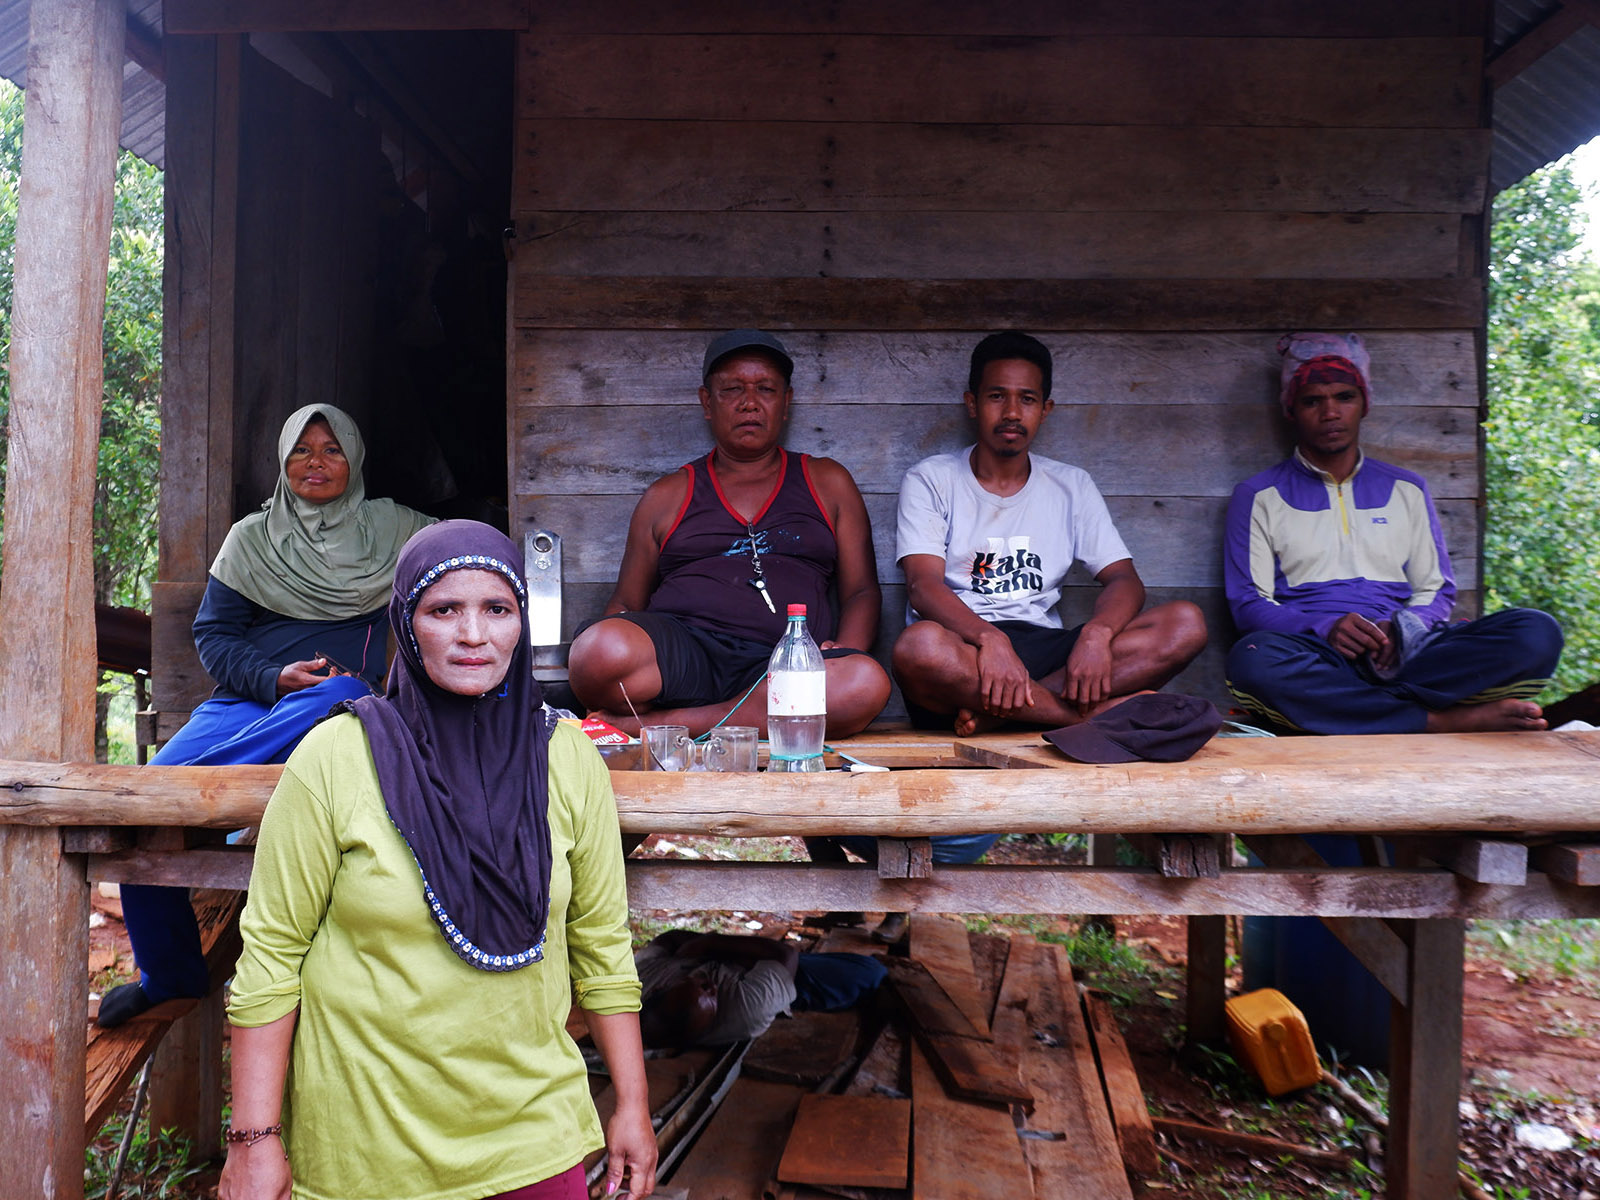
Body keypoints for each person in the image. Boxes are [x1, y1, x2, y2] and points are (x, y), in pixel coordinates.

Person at [220, 521, 655, 1200]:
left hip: (534, 1144)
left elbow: (602, 948)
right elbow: (271, 958)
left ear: (522, 623)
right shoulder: (335, 759)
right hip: (364, 1154)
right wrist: (253, 1141)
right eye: (444, 609)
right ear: (406, 621)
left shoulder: (567, 761)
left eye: (497, 610)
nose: (473, 634)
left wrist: (632, 1104)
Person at [99, 404, 435, 1028]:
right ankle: (168, 973)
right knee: (147, 810)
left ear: (355, 459)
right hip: (247, 703)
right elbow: (215, 636)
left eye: (332, 449)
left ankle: (188, 788)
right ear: (282, 463)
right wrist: (271, 678)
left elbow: (464, 566)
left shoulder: (399, 531)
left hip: (342, 705)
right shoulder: (251, 539)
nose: (316, 462)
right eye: (301, 451)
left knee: (330, 697)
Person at [1224, 332, 1563, 734]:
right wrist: (1325, 627)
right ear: (1291, 410)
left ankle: (1348, 711)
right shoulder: (1259, 495)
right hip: (1318, 653)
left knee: (1536, 631)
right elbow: (1248, 604)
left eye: (1344, 397)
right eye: (1312, 400)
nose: (1330, 412)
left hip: (1409, 653)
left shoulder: (1407, 488)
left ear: (1364, 403)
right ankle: (1438, 719)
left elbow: (1436, 592)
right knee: (1253, 660)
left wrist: (1401, 630)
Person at [568, 329, 891, 737]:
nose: (750, 402)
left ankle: (662, 726)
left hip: (784, 663)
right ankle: (742, 718)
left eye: (766, 389)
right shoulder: (668, 495)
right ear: (707, 402)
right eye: (732, 389)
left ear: (786, 402)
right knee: (597, 651)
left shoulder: (826, 482)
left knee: (863, 683)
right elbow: (626, 602)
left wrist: (847, 649)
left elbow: (861, 590)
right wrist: (605, 655)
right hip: (684, 659)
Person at [891, 331, 1208, 739]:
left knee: (1185, 623)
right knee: (918, 647)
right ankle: (1079, 718)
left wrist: (1098, 634)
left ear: (1046, 409)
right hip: (964, 652)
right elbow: (922, 586)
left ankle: (1007, 714)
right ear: (972, 403)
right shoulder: (931, 479)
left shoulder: (1071, 485)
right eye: (996, 396)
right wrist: (990, 639)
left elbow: (1124, 579)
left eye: (1027, 399)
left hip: (1046, 651)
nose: (1011, 412)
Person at [635, 929, 887, 1049]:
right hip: (770, 973)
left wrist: (698, 946)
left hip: (726, 962)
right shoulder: (748, 1009)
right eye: (712, 994)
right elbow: (784, 955)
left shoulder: (644, 977)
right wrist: (711, 943)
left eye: (700, 986)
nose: (710, 985)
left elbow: (667, 939)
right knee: (871, 972)